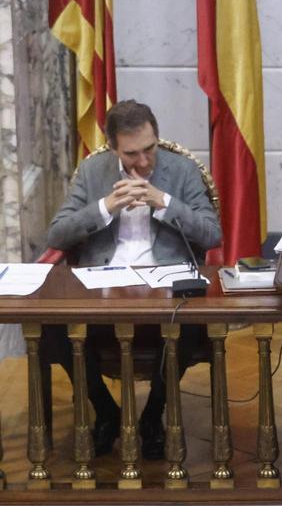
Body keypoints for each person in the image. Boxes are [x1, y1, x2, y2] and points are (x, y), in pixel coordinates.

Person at [45, 99, 223, 459]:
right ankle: (106, 411)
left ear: (156, 136)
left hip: (165, 287)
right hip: (101, 288)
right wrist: (104, 207)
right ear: (113, 147)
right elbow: (57, 235)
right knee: (52, 330)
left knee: (189, 326)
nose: (143, 161)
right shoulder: (92, 171)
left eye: (149, 149)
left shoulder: (182, 170)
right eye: (131, 154)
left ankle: (153, 415)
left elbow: (212, 234)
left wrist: (165, 202)